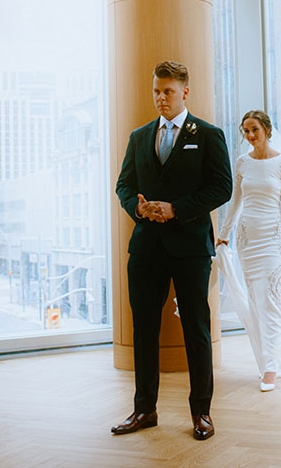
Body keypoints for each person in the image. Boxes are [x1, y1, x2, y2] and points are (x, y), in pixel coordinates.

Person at [112, 60, 233, 441]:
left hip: (190, 249)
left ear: (185, 92)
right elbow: (124, 186)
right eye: (156, 90)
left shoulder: (209, 135)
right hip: (146, 248)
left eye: (167, 91)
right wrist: (139, 207)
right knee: (144, 330)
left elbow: (222, 188)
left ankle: (202, 413)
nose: (160, 97)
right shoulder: (138, 136)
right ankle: (144, 409)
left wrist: (176, 208)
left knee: (196, 330)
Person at [216, 110, 281, 392]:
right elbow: (235, 202)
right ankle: (266, 360)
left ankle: (271, 368)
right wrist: (224, 234)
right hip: (247, 239)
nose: (250, 136)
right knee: (256, 301)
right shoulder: (242, 162)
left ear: (267, 129)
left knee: (270, 302)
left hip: (273, 239)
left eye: (254, 129)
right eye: (245, 131)